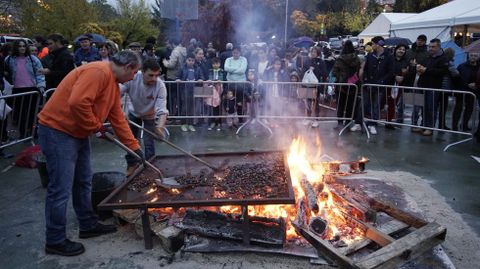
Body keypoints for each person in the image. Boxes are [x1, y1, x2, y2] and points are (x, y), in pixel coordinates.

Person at [37, 51, 143, 256]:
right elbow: (77, 102)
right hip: (58, 131)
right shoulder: (98, 71)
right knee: (60, 188)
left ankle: (87, 224)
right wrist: (95, 127)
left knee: (83, 181)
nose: (134, 77)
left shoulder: (112, 84)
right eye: (135, 72)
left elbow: (118, 120)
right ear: (128, 66)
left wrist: (135, 148)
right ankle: (55, 240)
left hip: (77, 133)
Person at [120, 58, 168, 175]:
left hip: (150, 115)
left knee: (149, 142)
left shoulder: (160, 86)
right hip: (133, 113)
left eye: (157, 75)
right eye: (150, 75)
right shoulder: (133, 78)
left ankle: (150, 166)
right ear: (142, 71)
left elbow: (162, 110)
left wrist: (160, 128)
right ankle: (132, 164)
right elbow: (116, 93)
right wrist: (120, 112)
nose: (154, 79)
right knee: (131, 140)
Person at [3, 40, 46, 137]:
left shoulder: (33, 59)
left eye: (23, 46)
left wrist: (41, 85)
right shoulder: (9, 59)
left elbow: (39, 73)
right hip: (16, 90)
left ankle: (32, 131)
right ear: (16, 47)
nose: (22, 48)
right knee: (19, 114)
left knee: (32, 113)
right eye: (20, 46)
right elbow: (6, 73)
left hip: (31, 89)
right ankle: (22, 132)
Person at [415, 38, 448, 136]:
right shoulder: (428, 56)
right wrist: (419, 68)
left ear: (439, 47)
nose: (430, 48)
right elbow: (424, 67)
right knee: (423, 107)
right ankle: (423, 126)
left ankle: (430, 128)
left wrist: (426, 70)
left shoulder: (443, 58)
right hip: (423, 86)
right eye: (429, 46)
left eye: (433, 47)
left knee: (431, 108)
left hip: (434, 87)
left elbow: (442, 72)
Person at [363, 36, 394, 135]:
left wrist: (382, 81)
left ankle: (373, 124)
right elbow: (365, 69)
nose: (371, 46)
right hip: (369, 84)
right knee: (365, 103)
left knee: (376, 105)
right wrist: (366, 79)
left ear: (378, 44)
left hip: (380, 86)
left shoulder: (389, 56)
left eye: (373, 44)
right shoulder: (370, 55)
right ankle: (360, 122)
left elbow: (390, 72)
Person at [332, 40, 360, 129]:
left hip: (341, 85)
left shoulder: (340, 59)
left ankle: (340, 123)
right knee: (350, 105)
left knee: (340, 104)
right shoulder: (357, 59)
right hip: (353, 85)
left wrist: (341, 77)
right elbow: (358, 71)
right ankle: (348, 123)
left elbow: (334, 72)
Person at [176, 53, 204, 132]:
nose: (191, 62)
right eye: (189, 60)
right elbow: (177, 77)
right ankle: (183, 124)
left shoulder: (197, 68)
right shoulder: (182, 68)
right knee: (184, 107)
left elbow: (201, 77)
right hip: (185, 90)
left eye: (192, 60)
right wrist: (178, 79)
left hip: (194, 89)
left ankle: (190, 124)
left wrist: (200, 79)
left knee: (192, 108)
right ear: (186, 60)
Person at [452, 52, 479, 132]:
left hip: (474, 91)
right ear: (468, 56)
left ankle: (464, 125)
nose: (473, 57)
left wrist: (476, 84)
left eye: (475, 55)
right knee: (458, 108)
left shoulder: (478, 67)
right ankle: (454, 126)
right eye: (471, 55)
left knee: (469, 109)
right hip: (462, 90)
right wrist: (467, 84)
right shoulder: (462, 66)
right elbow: (458, 78)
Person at [387, 44, 409, 127]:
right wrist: (394, 76)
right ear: (396, 49)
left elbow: (406, 72)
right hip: (387, 84)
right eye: (400, 49)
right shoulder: (389, 59)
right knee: (382, 103)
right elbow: (386, 70)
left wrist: (405, 73)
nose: (401, 51)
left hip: (398, 85)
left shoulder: (405, 61)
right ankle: (372, 121)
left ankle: (389, 122)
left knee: (393, 104)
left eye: (403, 50)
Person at [205, 57, 225, 131]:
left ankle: (219, 123)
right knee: (211, 107)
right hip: (212, 90)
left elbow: (223, 79)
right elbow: (209, 79)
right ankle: (212, 122)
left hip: (220, 90)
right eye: (214, 63)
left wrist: (219, 81)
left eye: (217, 63)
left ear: (219, 64)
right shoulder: (210, 71)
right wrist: (212, 82)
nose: (215, 65)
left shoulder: (222, 71)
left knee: (219, 108)